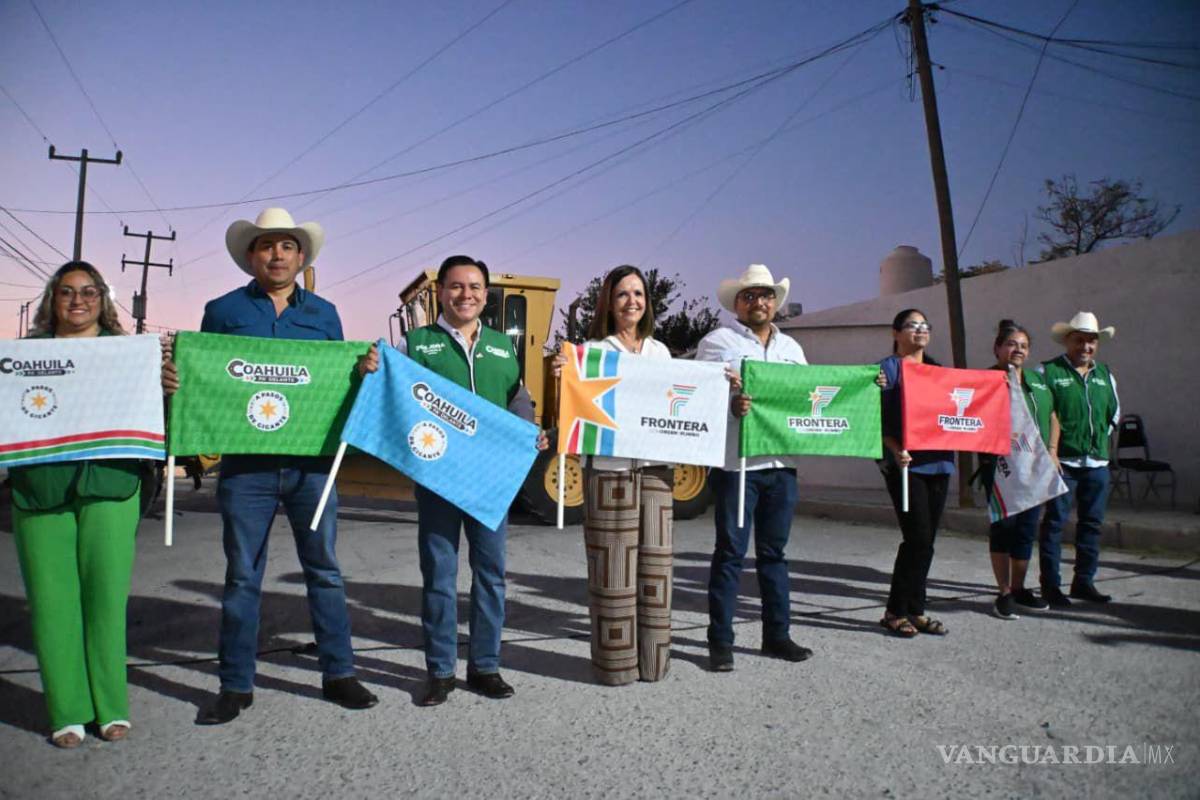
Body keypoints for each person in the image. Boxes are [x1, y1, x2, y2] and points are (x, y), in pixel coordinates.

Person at [166, 207, 378, 724]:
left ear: (300, 257)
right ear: (250, 256)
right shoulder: (221, 312)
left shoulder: (325, 315)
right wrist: (178, 380)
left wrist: (363, 371)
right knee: (242, 575)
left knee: (324, 571)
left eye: (286, 246)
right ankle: (235, 684)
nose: (277, 254)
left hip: (312, 467)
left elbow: (338, 383)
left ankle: (339, 673)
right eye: (266, 246)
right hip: (246, 470)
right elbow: (205, 380)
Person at [359, 255, 547, 706]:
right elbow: (386, 390)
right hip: (438, 479)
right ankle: (440, 671)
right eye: (457, 286)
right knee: (440, 576)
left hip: (490, 483)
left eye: (476, 287)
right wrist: (368, 371)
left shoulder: (504, 347)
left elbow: (519, 399)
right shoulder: (415, 344)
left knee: (491, 576)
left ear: (486, 294)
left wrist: (529, 431)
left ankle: (485, 666)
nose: (467, 295)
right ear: (441, 292)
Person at [8, 261, 158, 747]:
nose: (78, 300)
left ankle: (110, 707)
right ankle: (66, 711)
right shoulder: (21, 357)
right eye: (67, 292)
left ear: (103, 301)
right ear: (52, 300)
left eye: (89, 292)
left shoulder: (129, 354)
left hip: (112, 486)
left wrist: (168, 383)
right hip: (40, 489)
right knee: (52, 603)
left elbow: (157, 410)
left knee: (105, 602)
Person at [553, 265, 674, 685]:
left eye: (639, 294)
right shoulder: (593, 351)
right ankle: (616, 665)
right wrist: (563, 378)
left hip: (657, 472)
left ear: (648, 301)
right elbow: (575, 406)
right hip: (609, 471)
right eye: (623, 294)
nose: (632, 302)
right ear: (609, 301)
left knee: (656, 568)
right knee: (613, 572)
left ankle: (654, 663)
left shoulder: (660, 353)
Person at [694, 264, 813, 671]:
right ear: (737, 304)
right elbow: (699, 397)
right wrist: (730, 404)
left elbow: (806, 399)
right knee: (730, 553)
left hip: (782, 464)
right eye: (750, 296)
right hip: (736, 465)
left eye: (765, 295)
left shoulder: (793, 350)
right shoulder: (716, 343)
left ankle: (776, 635)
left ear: (774, 303)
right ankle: (720, 642)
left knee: (774, 554)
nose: (758, 302)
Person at [878, 308, 954, 638]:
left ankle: (917, 609)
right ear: (896, 333)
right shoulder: (887, 370)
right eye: (912, 325)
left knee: (927, 541)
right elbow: (874, 417)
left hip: (939, 462)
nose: (920, 330)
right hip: (906, 466)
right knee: (917, 538)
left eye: (925, 325)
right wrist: (895, 450)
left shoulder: (939, 371)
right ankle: (895, 611)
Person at [1038, 311, 1120, 606]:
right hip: (1063, 463)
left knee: (1092, 524)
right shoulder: (1049, 372)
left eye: (1091, 341)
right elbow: (1042, 412)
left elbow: (1113, 413)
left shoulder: (1105, 375)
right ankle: (1050, 586)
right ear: (1067, 341)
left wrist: (1097, 437)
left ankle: (1083, 582)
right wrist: (1052, 449)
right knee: (1055, 523)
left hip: (1097, 463)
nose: (1085, 347)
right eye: (1080, 340)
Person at [981, 320, 1056, 620]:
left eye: (1023, 346)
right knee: (1004, 528)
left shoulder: (1037, 382)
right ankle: (1003, 593)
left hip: (1034, 466)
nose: (1018, 350)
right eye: (1011, 344)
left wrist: (1052, 451)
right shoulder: (985, 380)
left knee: (1027, 528)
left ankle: (1020, 588)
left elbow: (1052, 415)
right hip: (1000, 467)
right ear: (998, 348)